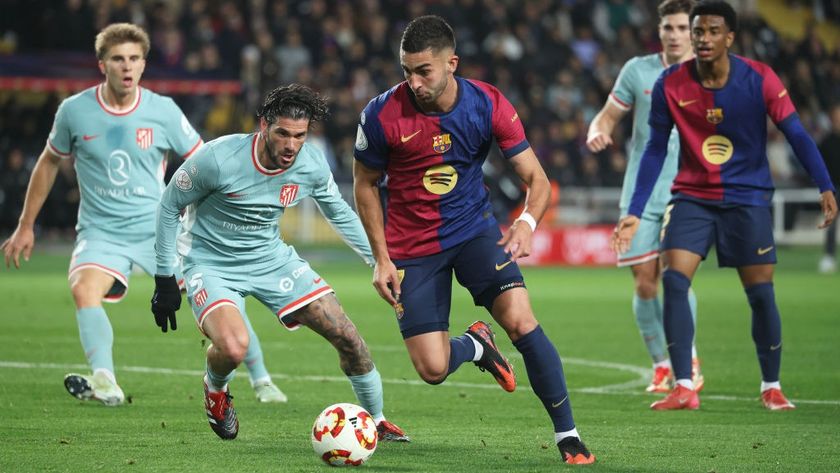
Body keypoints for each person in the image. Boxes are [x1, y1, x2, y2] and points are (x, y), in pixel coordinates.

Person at [0, 23, 287, 406]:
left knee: (216, 293)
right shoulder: (74, 111)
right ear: (102, 64)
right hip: (101, 233)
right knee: (84, 289)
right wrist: (25, 225)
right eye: (118, 59)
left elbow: (204, 162)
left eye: (134, 59)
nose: (127, 66)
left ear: (144, 64)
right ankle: (105, 382)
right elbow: (49, 161)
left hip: (160, 231)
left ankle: (262, 379)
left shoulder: (162, 111)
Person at [353, 15, 594, 465]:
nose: (414, 81)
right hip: (412, 249)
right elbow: (364, 184)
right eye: (406, 70)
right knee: (433, 369)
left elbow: (536, 180)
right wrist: (381, 259)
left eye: (424, 70)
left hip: (474, 232)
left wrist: (526, 223)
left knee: (522, 321)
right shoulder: (382, 114)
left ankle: (569, 436)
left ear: (452, 64)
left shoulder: (488, 104)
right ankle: (476, 345)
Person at [150, 84, 408, 442]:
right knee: (234, 347)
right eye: (283, 133)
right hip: (210, 264)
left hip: (271, 260)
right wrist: (165, 276)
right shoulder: (218, 159)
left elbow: (340, 213)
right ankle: (215, 391)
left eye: (299, 136)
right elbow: (168, 206)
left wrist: (379, 260)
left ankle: (377, 421)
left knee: (348, 337)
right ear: (263, 126)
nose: (290, 145)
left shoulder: (311, 164)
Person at [613, 0, 837, 411]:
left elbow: (797, 133)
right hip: (693, 198)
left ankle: (771, 385)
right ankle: (684, 385)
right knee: (674, 280)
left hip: (746, 199)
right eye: (698, 31)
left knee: (760, 293)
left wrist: (825, 184)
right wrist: (634, 210)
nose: (703, 39)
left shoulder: (760, 79)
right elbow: (654, 152)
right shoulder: (670, 84)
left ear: (730, 37)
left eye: (713, 31)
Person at [587, 0, 704, 395]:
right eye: (668, 28)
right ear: (659, 31)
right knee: (644, 283)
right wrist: (596, 130)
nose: (674, 35)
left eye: (682, 29)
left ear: (695, 33)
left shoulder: (708, 74)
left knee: (677, 277)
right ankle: (660, 363)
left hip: (688, 190)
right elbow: (607, 114)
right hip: (641, 189)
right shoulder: (638, 70)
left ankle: (687, 358)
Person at [818, 104, 840, 274]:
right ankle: (829, 257)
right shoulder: (826, 142)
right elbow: (820, 167)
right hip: (834, 190)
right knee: (831, 224)